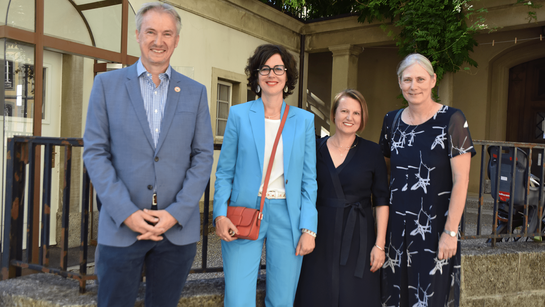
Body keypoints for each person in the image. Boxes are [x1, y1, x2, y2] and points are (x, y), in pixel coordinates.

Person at [82, 2, 214, 306]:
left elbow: (203, 156)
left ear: (177, 40)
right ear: (138, 35)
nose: (159, 41)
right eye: (151, 31)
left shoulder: (195, 92)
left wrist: (177, 213)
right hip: (121, 227)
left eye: (167, 33)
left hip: (176, 230)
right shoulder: (106, 85)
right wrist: (126, 212)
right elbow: (96, 152)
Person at [213, 44, 318, 307]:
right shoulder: (238, 114)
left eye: (278, 68)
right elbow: (225, 171)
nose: (272, 74)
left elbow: (308, 179)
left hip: (288, 215)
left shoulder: (304, 120)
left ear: (287, 75)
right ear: (257, 75)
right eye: (265, 68)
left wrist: (309, 227)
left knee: (282, 300)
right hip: (243, 211)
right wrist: (219, 213)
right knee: (237, 299)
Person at [379, 53, 475, 307]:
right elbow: (386, 173)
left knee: (429, 298)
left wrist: (450, 232)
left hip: (435, 231)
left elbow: (461, 180)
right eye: (407, 79)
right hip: (396, 232)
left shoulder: (452, 119)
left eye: (420, 78)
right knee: (394, 298)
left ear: (433, 80)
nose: (414, 86)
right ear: (399, 83)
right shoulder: (391, 121)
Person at [294, 89, 389, 307]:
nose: (350, 117)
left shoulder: (373, 152)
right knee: (316, 292)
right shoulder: (315, 149)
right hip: (319, 232)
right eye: (344, 111)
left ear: (362, 118)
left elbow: (382, 200)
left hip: (359, 236)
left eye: (356, 113)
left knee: (355, 295)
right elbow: (303, 190)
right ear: (334, 114)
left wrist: (380, 245)